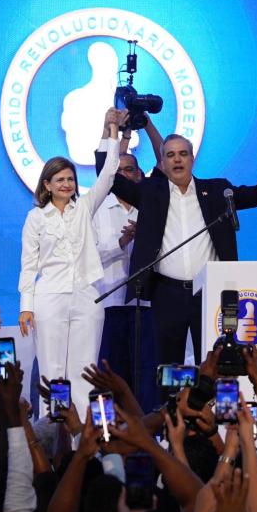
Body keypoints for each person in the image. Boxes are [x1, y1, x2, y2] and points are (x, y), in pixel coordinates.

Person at [95, 115, 257, 365]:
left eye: (182, 153)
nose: (177, 159)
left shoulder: (216, 191)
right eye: (170, 155)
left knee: (213, 365)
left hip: (210, 294)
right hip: (166, 294)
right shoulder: (149, 193)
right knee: (168, 370)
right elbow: (108, 178)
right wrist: (109, 132)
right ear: (163, 163)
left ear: (192, 158)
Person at [18, 109, 124, 413]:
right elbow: (28, 265)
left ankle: (82, 438)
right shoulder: (35, 218)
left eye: (70, 179)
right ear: (47, 185)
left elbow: (110, 172)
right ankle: (53, 437)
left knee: (84, 370)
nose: (67, 184)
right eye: (60, 179)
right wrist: (26, 306)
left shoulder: (85, 207)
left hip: (87, 295)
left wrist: (112, 129)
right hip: (49, 296)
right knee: (52, 371)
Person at [93, 117, 163, 407]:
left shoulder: (152, 204)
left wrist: (144, 124)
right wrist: (121, 244)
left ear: (140, 174)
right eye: (118, 171)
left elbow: (163, 158)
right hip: (109, 301)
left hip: (145, 303)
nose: (124, 175)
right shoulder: (97, 207)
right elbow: (90, 255)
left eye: (130, 170)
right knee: (110, 375)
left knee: (145, 376)